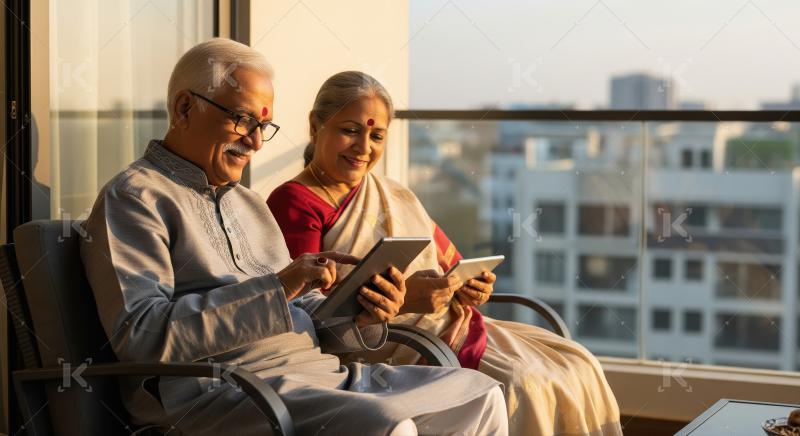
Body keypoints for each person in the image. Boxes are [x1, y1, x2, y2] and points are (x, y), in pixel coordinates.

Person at [80, 39, 508, 436]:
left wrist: (363, 316)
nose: (255, 142)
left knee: (479, 396)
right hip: (226, 391)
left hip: (318, 376)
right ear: (184, 107)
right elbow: (142, 334)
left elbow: (304, 317)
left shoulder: (248, 203)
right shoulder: (135, 198)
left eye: (263, 126)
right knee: (388, 425)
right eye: (243, 119)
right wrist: (280, 287)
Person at [267, 71, 623, 435]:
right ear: (316, 126)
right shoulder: (294, 202)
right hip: (386, 348)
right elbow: (308, 319)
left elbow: (451, 264)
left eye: (377, 136)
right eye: (350, 130)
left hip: (454, 326)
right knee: (526, 385)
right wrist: (405, 301)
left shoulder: (394, 193)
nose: (363, 148)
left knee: (577, 364)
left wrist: (470, 286)